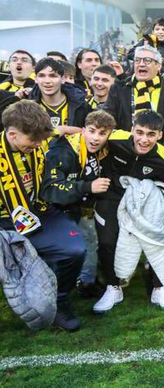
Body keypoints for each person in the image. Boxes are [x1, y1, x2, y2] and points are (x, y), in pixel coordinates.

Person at [0, 100, 86, 331]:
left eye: (41, 140)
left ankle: (60, 300)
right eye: (33, 141)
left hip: (39, 212)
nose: (39, 145)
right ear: (12, 133)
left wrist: (76, 131)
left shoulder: (38, 137)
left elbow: (57, 131)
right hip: (3, 221)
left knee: (76, 249)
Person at [92, 110, 164, 313]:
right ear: (131, 130)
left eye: (151, 134)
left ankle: (158, 287)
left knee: (159, 236)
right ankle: (113, 287)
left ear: (160, 136)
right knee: (107, 241)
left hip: (142, 202)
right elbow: (86, 135)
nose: (144, 139)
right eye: (140, 132)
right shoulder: (115, 138)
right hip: (112, 196)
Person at [41, 110, 115, 300]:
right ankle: (51, 292)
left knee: (89, 239)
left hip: (80, 208)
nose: (96, 138)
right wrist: (89, 186)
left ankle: (87, 283)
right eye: (92, 131)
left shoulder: (102, 149)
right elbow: (51, 189)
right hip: (52, 211)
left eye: (102, 133)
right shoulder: (64, 151)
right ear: (83, 131)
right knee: (63, 250)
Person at [104, 45, 164, 134]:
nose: (141, 64)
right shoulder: (118, 89)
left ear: (158, 66)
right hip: (125, 146)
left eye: (147, 60)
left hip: (161, 146)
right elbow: (108, 120)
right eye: (137, 60)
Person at [30, 58, 90, 135]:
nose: (47, 81)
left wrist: (66, 130)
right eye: (42, 76)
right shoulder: (27, 107)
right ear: (35, 79)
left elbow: (92, 134)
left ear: (63, 79)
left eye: (53, 76)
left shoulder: (81, 106)